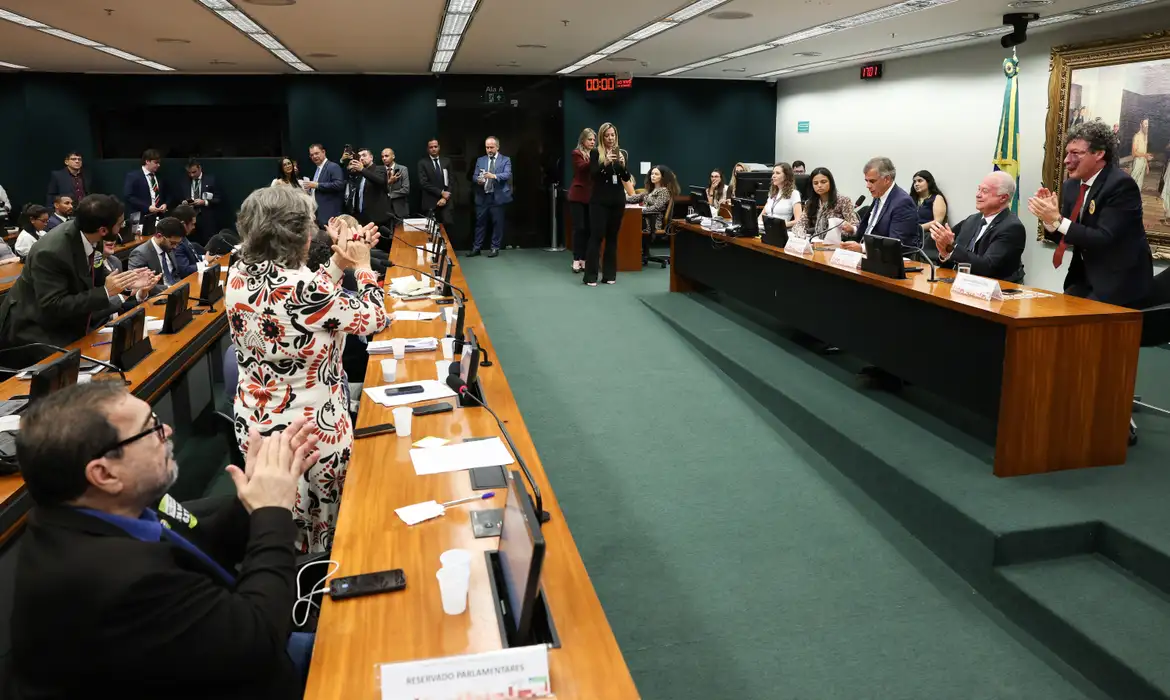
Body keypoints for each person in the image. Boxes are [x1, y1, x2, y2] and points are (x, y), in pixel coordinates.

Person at [10, 381, 319, 699]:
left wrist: (252, 497)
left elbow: (205, 548)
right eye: (151, 429)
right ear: (105, 474)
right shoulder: (121, 581)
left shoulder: (111, 506)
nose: (168, 431)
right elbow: (260, 642)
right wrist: (273, 511)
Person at [227, 186, 387, 553]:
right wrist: (362, 266)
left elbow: (302, 301)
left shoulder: (237, 274)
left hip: (258, 426)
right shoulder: (304, 290)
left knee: (276, 521)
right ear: (300, 235)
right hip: (313, 431)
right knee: (325, 530)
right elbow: (374, 318)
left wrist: (339, 263)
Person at [0, 194, 159, 367]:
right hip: (32, 329)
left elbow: (96, 275)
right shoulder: (50, 252)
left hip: (65, 321)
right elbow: (53, 305)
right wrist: (106, 291)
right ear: (103, 230)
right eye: (119, 224)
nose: (122, 227)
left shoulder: (92, 235)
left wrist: (126, 284)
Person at [1028, 120, 1153, 307]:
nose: (1067, 160)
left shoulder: (1121, 185)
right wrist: (1049, 220)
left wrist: (1058, 220)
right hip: (1082, 279)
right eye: (1067, 153)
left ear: (1099, 154)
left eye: (1075, 153)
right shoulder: (1071, 185)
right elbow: (1067, 235)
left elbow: (1104, 238)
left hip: (1119, 284)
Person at [928, 171, 1025, 283]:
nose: (978, 195)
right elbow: (953, 260)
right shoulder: (972, 220)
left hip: (997, 288)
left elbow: (987, 268)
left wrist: (952, 248)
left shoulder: (1012, 228)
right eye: (979, 189)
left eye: (985, 191)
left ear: (1003, 198)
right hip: (963, 284)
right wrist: (945, 254)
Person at [584, 122, 631, 286]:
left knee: (612, 238)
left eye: (613, 135)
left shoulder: (621, 153)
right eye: (607, 135)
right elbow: (593, 175)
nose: (610, 138)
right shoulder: (596, 152)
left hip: (617, 200)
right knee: (596, 237)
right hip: (599, 201)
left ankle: (609, 275)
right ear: (602, 137)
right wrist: (604, 164)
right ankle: (590, 276)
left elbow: (626, 178)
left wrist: (623, 166)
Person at [840, 156, 919, 251]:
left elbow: (896, 243)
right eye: (866, 181)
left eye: (872, 181)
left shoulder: (903, 202)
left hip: (886, 258)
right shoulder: (879, 195)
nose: (868, 186)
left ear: (887, 179)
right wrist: (853, 229)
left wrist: (863, 248)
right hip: (868, 253)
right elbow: (872, 226)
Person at [624, 164, 679, 265]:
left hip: (653, 222)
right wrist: (619, 198)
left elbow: (657, 208)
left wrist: (639, 210)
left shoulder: (664, 191)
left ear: (663, 177)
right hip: (646, 218)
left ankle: (628, 256)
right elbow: (634, 198)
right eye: (652, 174)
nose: (653, 176)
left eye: (656, 174)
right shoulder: (650, 190)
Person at [470, 136, 512, 257]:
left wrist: (493, 176)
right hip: (483, 196)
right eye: (487, 147)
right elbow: (474, 176)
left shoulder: (505, 160)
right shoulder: (481, 160)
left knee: (497, 223)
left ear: (497, 147)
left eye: (491, 147)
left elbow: (507, 174)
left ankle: (495, 248)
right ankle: (476, 248)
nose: (489, 150)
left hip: (497, 196)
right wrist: (478, 180)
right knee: (480, 223)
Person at [796, 167, 858, 240]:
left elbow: (855, 227)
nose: (819, 185)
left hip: (837, 242)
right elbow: (799, 224)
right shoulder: (810, 203)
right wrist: (800, 232)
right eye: (815, 183)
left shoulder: (843, 201)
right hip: (815, 242)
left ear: (830, 183)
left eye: (823, 182)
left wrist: (847, 230)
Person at [567, 128, 596, 273]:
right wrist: (596, 158)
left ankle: (584, 259)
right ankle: (576, 259)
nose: (592, 142)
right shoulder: (576, 153)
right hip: (578, 196)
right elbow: (582, 167)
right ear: (583, 140)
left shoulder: (595, 154)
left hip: (591, 196)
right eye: (590, 139)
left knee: (589, 229)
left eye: (594, 140)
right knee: (579, 228)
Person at [123, 149, 168, 235]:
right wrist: (147, 207)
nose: (158, 165)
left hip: (159, 217)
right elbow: (128, 196)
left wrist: (165, 204)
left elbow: (167, 194)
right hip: (141, 218)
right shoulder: (133, 176)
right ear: (147, 161)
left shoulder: (160, 177)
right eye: (156, 162)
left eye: (159, 163)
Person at [302, 143, 344, 227]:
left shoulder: (333, 166)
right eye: (311, 155)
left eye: (316, 153)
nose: (314, 156)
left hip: (329, 214)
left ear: (323, 152)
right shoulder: (317, 169)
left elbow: (339, 185)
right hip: (318, 212)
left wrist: (317, 185)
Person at [418, 139, 454, 229]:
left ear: (439, 147)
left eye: (435, 146)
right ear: (428, 149)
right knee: (431, 230)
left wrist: (445, 197)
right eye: (431, 147)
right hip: (430, 202)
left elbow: (451, 180)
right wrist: (441, 192)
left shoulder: (447, 161)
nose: (433, 149)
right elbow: (423, 183)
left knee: (447, 227)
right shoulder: (422, 163)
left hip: (446, 201)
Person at [182, 158, 218, 244]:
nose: (192, 175)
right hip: (190, 218)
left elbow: (218, 199)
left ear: (200, 168)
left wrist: (204, 202)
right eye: (189, 173)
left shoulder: (211, 180)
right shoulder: (184, 182)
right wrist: (185, 202)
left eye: (194, 172)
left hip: (206, 218)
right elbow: (180, 198)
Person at [760, 162, 803, 231]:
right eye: (773, 173)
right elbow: (761, 216)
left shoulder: (794, 193)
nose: (773, 176)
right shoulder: (772, 193)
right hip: (766, 229)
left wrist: (781, 225)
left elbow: (798, 220)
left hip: (781, 231)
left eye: (777, 173)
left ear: (786, 176)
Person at [910, 170, 948, 240]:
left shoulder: (937, 198)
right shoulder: (912, 199)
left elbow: (938, 222)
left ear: (928, 182)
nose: (916, 184)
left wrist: (918, 228)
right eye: (914, 182)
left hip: (928, 235)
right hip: (911, 233)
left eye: (920, 181)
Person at [381, 147, 410, 222]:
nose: (384, 158)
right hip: (383, 210)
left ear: (393, 156)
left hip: (400, 209)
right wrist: (389, 181)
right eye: (382, 156)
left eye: (386, 156)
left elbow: (406, 189)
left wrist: (389, 195)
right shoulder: (379, 170)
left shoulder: (403, 169)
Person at [1129, 118, 1152, 192]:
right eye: (1145, 124)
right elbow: (1134, 153)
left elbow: (1145, 152)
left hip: (1143, 162)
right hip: (1138, 162)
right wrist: (1145, 155)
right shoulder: (1137, 136)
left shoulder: (1145, 137)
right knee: (1132, 182)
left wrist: (1147, 165)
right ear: (1140, 125)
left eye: (1147, 124)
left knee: (1139, 184)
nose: (1147, 125)